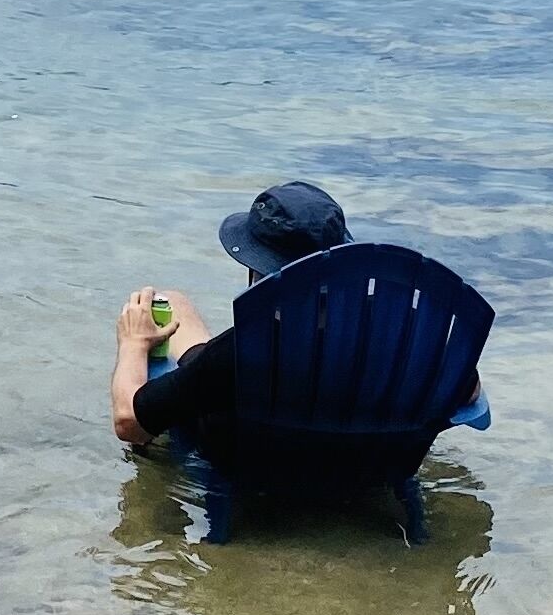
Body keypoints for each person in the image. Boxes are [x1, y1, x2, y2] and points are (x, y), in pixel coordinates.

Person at [110, 176, 486, 466]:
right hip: (371, 470)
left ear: (256, 269)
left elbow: (129, 424)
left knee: (172, 306)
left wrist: (132, 345)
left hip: (257, 465)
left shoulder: (236, 357)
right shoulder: (407, 334)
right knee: (182, 314)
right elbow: (471, 397)